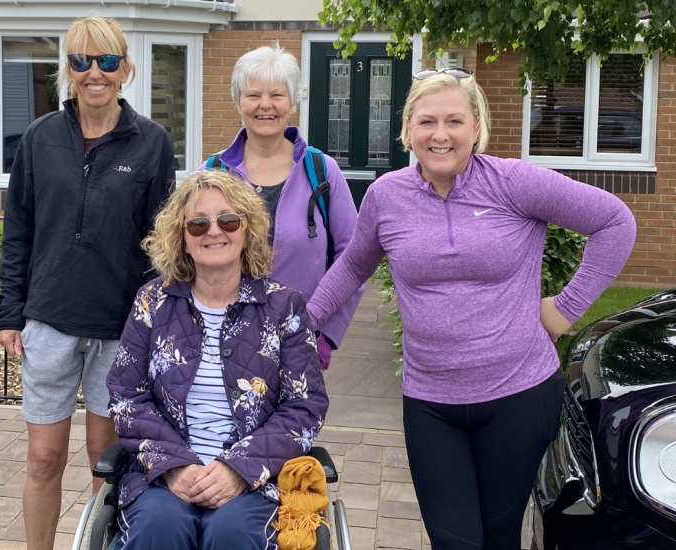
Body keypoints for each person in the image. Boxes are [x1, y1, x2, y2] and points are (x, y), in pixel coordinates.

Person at [306, 67, 637, 549]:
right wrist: (298, 325)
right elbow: (353, 266)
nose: (440, 135)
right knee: (454, 541)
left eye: (454, 121)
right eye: (427, 121)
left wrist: (566, 309)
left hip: (518, 396)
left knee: (500, 537)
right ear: (407, 129)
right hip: (431, 405)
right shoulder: (386, 196)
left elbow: (615, 222)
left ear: (476, 127)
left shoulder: (514, 182)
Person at [0, 16, 175, 549]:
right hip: (49, 321)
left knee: (105, 460)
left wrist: (154, 323)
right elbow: (19, 229)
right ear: (68, 69)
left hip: (119, 328)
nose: (95, 72)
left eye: (107, 61)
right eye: (82, 60)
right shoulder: (39, 137)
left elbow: (160, 244)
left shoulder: (152, 142)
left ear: (125, 68)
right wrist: (9, 313)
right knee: (42, 457)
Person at [107, 170, 329, 550]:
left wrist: (239, 468)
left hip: (255, 481)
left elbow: (305, 407)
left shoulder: (284, 307)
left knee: (234, 534)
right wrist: (174, 465)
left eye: (228, 220)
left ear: (247, 229)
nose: (214, 231)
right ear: (181, 237)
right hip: (163, 476)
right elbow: (127, 396)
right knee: (158, 528)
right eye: (198, 224)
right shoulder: (152, 302)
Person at [202, 43, 363, 370]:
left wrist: (326, 334)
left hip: (299, 343)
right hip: (222, 345)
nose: (266, 105)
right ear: (238, 102)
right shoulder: (211, 174)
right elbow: (186, 255)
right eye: (253, 95)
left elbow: (354, 260)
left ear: (293, 101)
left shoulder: (322, 171)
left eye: (277, 94)